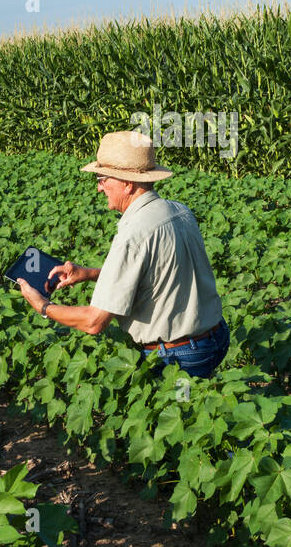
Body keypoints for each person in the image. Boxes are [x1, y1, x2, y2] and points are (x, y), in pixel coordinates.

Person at [15, 131, 229, 378]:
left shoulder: (135, 232)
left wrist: (43, 307)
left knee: (182, 409)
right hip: (215, 339)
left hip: (181, 359)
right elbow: (156, 275)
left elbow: (94, 322)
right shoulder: (179, 211)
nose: (99, 188)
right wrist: (89, 274)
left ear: (127, 183)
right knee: (203, 406)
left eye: (102, 179)